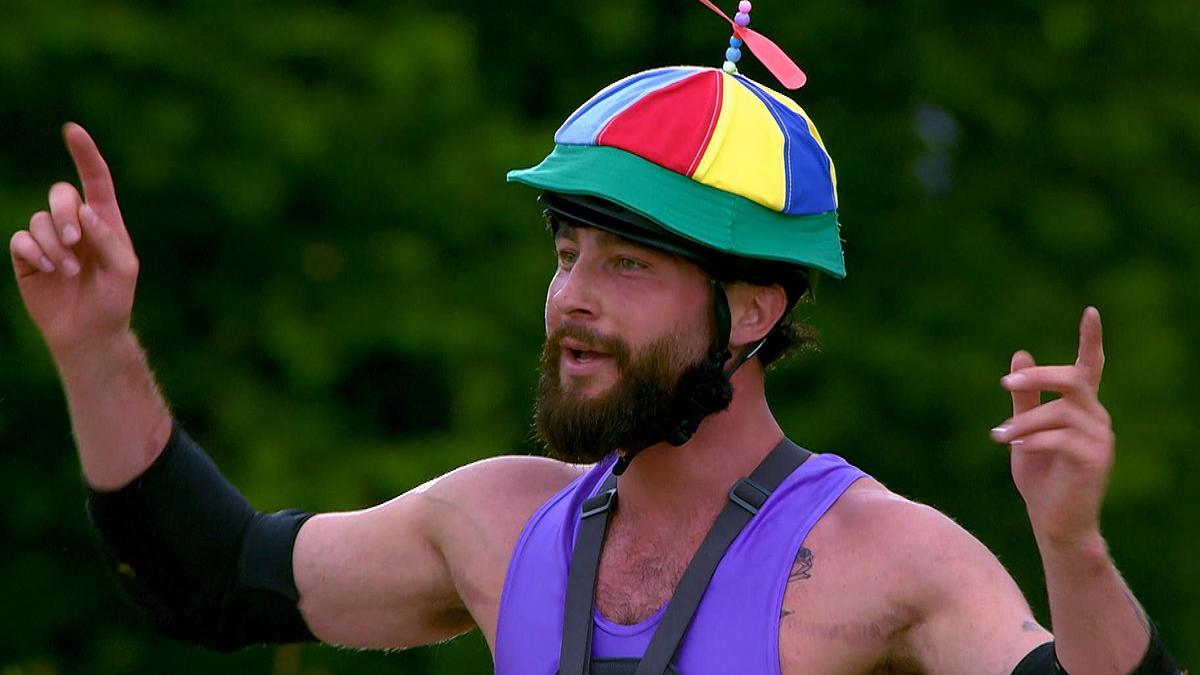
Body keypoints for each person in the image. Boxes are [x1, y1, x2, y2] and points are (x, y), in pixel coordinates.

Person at [9, 60, 1180, 675]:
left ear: (750, 309)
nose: (571, 294)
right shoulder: (492, 520)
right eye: (567, 252)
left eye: (626, 264)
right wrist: (96, 346)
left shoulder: (893, 557)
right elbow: (206, 580)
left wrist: (1072, 548)